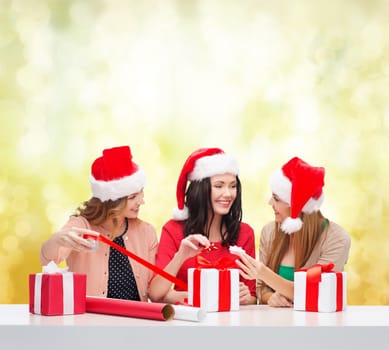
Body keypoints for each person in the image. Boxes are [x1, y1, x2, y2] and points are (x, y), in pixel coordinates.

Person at [40, 145, 158, 302]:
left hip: (136, 322)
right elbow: (48, 259)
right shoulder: (80, 226)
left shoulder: (146, 232)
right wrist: (56, 240)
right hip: (91, 323)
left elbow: (155, 291)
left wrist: (189, 296)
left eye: (141, 192)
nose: (141, 201)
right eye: (132, 197)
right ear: (112, 201)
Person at [236, 156, 351, 307]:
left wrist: (262, 272)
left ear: (297, 206)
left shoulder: (336, 239)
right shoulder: (270, 232)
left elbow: (317, 292)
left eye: (276, 198)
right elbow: (261, 289)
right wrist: (270, 297)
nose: (270, 203)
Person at [148, 147, 257, 305]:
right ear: (200, 189)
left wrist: (247, 297)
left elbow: (252, 296)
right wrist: (181, 255)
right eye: (219, 186)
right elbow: (156, 294)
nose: (228, 194)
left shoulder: (245, 233)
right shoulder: (173, 230)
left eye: (233, 186)